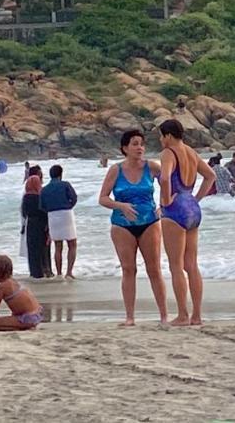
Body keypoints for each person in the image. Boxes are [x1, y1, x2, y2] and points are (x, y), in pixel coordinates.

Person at [99, 128, 167, 326]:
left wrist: (163, 205)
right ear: (125, 148)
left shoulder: (152, 167)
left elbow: (172, 185)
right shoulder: (116, 170)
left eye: (141, 144)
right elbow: (102, 198)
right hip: (122, 225)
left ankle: (164, 315)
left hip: (149, 222)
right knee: (129, 270)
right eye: (135, 144)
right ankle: (130, 317)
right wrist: (121, 205)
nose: (140, 148)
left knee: (154, 269)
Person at [159, 118, 216, 326]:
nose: (160, 140)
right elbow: (210, 176)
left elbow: (165, 178)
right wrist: (196, 198)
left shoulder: (168, 153)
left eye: (161, 136)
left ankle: (182, 314)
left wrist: (165, 200)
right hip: (192, 207)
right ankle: (197, 315)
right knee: (191, 265)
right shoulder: (191, 152)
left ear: (168, 135)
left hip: (175, 211)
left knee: (176, 265)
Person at [0, 254, 43, 330]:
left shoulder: (3, 286)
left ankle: (23, 327)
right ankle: (23, 325)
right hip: (37, 314)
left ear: (0, 272)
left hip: (28, 318)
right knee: (10, 318)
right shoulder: (13, 281)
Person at [41, 164, 78, 279]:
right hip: (66, 213)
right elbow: (74, 197)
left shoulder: (44, 189)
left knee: (58, 246)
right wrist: (69, 206)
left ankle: (59, 273)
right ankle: (69, 272)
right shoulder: (65, 184)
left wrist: (51, 211)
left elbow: (42, 206)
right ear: (60, 174)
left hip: (52, 216)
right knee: (72, 244)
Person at [21, 169, 51, 279]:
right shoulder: (40, 196)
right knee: (43, 248)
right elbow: (44, 211)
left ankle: (35, 272)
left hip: (31, 224)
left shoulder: (26, 197)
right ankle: (46, 270)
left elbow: (24, 213)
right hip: (42, 224)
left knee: (32, 249)